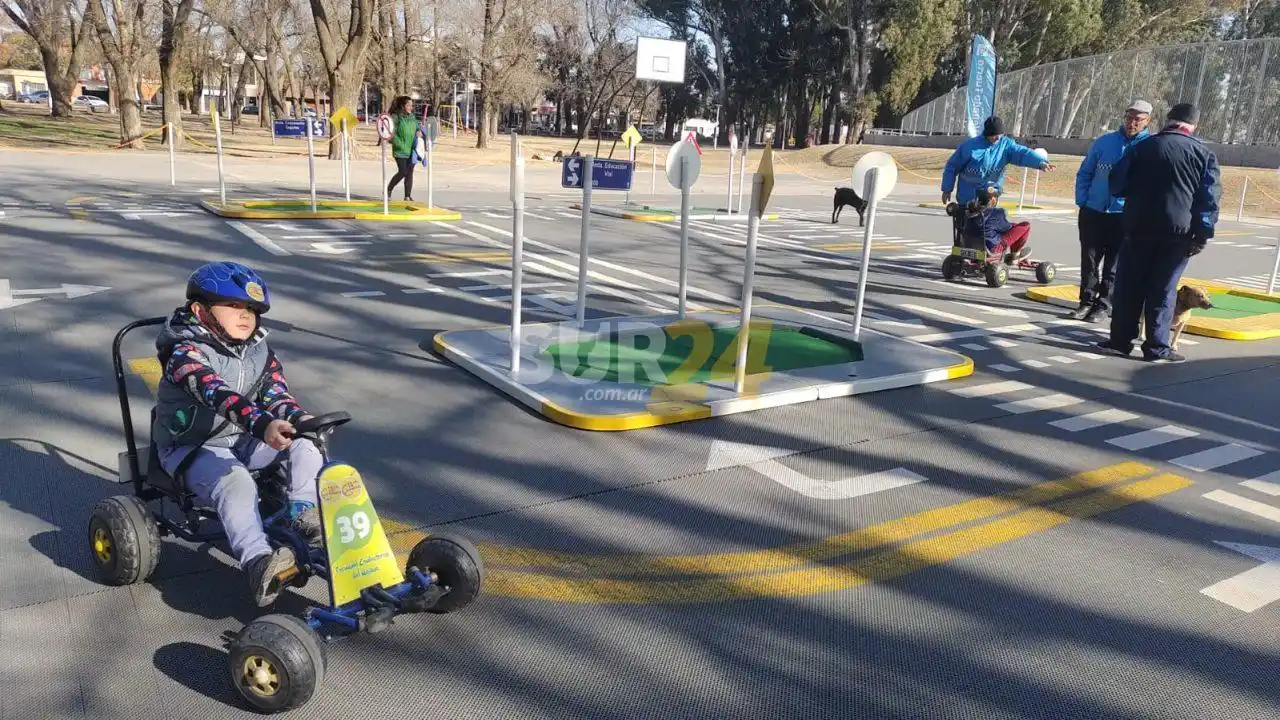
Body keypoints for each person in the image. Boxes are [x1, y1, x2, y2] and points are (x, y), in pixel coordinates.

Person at [152, 262, 323, 606]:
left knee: (306, 444)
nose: (245, 315)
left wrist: (298, 418)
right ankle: (258, 562)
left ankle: (303, 515)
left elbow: (276, 395)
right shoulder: (185, 353)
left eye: (252, 309)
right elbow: (217, 394)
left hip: (243, 440)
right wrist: (263, 425)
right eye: (233, 306)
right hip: (192, 447)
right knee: (237, 482)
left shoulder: (260, 352)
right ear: (200, 311)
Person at [1098, 102, 1221, 363]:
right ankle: (1157, 348)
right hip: (1179, 233)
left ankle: (1120, 341)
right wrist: (1202, 234)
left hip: (1138, 227)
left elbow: (1117, 184)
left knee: (1129, 286)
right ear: (1194, 126)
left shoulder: (1142, 147)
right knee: (1164, 289)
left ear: (1167, 120)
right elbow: (1209, 199)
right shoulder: (1204, 154)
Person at [1069, 100, 1152, 322]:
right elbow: (1085, 172)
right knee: (1089, 260)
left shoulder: (1149, 147)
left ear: (1147, 121)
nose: (1132, 122)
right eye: (1129, 117)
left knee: (1113, 264)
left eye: (1138, 119)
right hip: (1093, 211)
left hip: (1123, 215)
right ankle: (1086, 302)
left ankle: (1104, 304)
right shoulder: (1105, 142)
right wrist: (1083, 201)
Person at [941, 116, 1055, 206]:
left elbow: (1022, 153)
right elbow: (952, 166)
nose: (998, 138)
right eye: (994, 135)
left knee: (989, 227)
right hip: (968, 196)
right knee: (967, 227)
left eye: (1000, 135)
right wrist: (947, 189)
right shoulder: (969, 146)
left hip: (991, 196)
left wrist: (1040, 162)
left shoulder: (1006, 145)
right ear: (987, 134)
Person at [964, 184, 1033, 264]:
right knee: (1025, 225)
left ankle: (1014, 255)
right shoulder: (996, 213)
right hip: (991, 249)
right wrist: (1014, 226)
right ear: (993, 199)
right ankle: (1015, 255)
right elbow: (1007, 228)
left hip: (970, 245)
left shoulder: (969, 211)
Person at [386, 95, 419, 201]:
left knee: (410, 172)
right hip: (400, 150)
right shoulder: (396, 117)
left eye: (411, 105)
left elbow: (417, 128)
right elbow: (390, 133)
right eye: (408, 105)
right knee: (403, 171)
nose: (410, 107)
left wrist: (419, 132)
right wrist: (399, 144)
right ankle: (389, 189)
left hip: (411, 149)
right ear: (402, 105)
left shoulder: (412, 117)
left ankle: (407, 196)